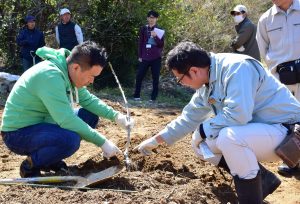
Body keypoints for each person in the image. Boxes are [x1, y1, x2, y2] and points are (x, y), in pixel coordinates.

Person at [135, 41, 300, 204]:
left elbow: (238, 115)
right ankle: (262, 182)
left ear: (193, 70)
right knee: (201, 144)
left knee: (229, 137)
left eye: (180, 79)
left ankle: (250, 200)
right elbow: (188, 118)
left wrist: (203, 129)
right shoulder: (207, 82)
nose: (182, 84)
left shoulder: (237, 68)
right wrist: (155, 140)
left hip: (288, 133)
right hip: (264, 133)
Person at [0, 41, 134, 178]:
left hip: (44, 124)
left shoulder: (68, 71)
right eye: (92, 76)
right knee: (70, 140)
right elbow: (66, 119)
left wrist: (116, 116)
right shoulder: (50, 75)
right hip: (18, 133)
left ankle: (50, 160)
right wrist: (103, 142)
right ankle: (30, 165)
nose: (92, 81)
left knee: (90, 115)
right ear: (76, 68)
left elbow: (87, 100)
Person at [256, 0, 300, 175]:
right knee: (288, 120)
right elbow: (263, 50)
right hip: (283, 78)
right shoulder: (265, 19)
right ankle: (293, 161)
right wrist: (277, 70)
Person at [133, 10, 165, 102]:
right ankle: (136, 96)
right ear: (147, 18)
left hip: (156, 58)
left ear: (156, 19)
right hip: (145, 57)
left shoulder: (159, 30)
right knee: (139, 76)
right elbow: (141, 43)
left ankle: (153, 98)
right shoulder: (143, 29)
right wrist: (140, 55)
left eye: (153, 18)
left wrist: (155, 36)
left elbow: (161, 45)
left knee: (155, 78)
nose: (152, 19)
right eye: (150, 17)